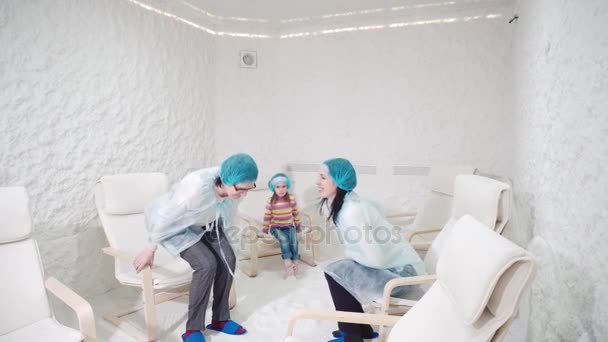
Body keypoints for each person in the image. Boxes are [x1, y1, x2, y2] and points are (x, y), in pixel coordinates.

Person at [132, 153, 258, 342]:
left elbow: (228, 214)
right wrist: (150, 248)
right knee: (207, 265)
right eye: (242, 189)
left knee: (228, 259)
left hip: (208, 221)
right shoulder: (195, 189)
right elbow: (167, 217)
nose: (244, 194)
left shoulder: (236, 186)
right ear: (227, 181)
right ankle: (193, 329)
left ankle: (220, 319)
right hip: (178, 226)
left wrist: (228, 243)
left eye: (250, 188)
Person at [316, 158, 426, 342]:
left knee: (337, 271)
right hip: (397, 268)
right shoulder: (347, 204)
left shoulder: (351, 211)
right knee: (340, 269)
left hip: (404, 275)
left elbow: (378, 260)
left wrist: (350, 259)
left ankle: (352, 335)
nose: (317, 182)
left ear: (338, 181)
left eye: (323, 178)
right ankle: (361, 330)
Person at [262, 172, 302, 278]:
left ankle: (295, 262)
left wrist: (297, 225)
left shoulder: (291, 199)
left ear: (287, 186)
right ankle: (288, 264)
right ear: (273, 188)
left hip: (289, 226)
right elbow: (267, 216)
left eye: (284, 186)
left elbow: (295, 213)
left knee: (294, 241)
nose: (281, 189)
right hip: (276, 227)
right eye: (278, 187)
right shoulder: (270, 201)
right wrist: (265, 229)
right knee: (284, 240)